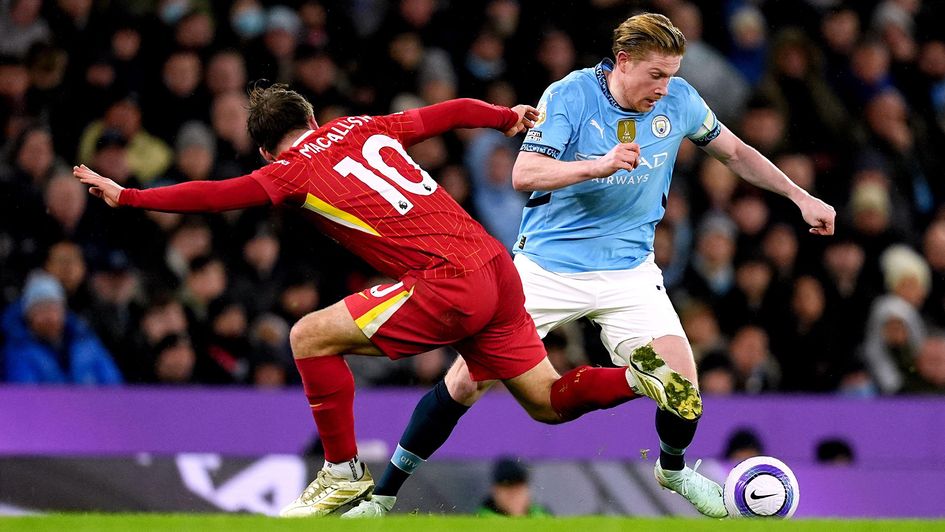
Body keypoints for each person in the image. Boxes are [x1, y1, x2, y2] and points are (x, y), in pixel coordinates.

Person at [74, 84, 697, 517]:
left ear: (266, 149)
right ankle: (636, 380)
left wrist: (129, 197)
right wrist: (504, 116)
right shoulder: (361, 126)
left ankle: (342, 471)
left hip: (446, 279)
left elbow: (215, 194)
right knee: (547, 402)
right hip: (497, 266)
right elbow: (444, 113)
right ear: (314, 118)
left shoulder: (285, 172)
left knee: (306, 337)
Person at [347, 13, 835, 519]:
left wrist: (800, 197)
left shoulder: (682, 101)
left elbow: (735, 153)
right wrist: (596, 165)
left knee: (684, 390)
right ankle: (383, 497)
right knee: (467, 381)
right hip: (545, 269)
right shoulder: (570, 96)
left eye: (672, 74)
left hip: (630, 271)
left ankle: (672, 469)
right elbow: (524, 172)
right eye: (656, 75)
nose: (665, 88)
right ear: (623, 62)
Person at [1, 271, 122, 385]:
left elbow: (113, 384)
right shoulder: (18, 350)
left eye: (53, 308)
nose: (49, 317)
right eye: (41, 310)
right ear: (29, 315)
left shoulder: (87, 342)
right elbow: (24, 393)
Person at [476, 457, 551, 517]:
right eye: (507, 486)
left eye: (518, 487)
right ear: (495, 490)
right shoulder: (480, 521)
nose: (514, 494)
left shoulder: (544, 516)